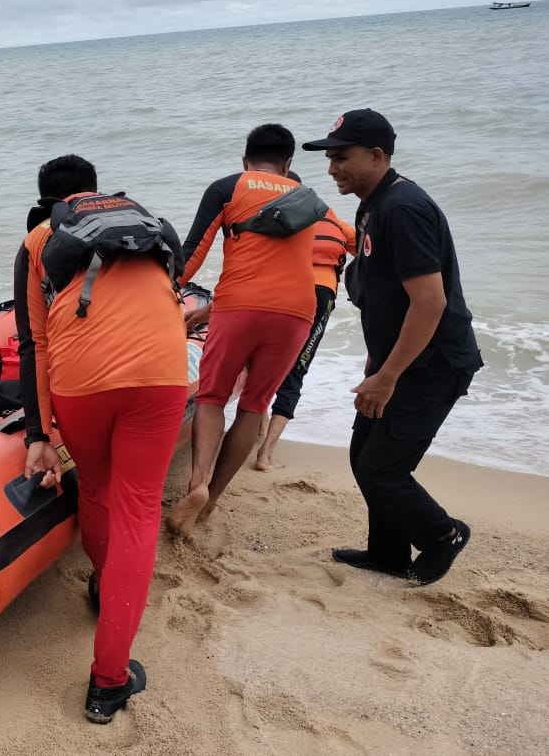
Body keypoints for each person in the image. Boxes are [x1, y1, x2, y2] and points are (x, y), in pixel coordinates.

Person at [14, 154, 189, 724]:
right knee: (139, 511)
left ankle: (100, 582)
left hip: (81, 383)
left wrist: (37, 434)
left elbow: (33, 342)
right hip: (162, 374)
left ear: (50, 204)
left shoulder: (39, 238)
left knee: (95, 486)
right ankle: (109, 683)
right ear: (96, 193)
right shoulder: (142, 223)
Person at [302, 109, 481, 585]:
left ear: (377, 155)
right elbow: (384, 292)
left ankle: (443, 535)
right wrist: (376, 360)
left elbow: (430, 302)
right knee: (363, 456)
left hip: (433, 363)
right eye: (329, 158)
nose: (332, 168)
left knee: (383, 470)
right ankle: (387, 553)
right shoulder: (372, 205)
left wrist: (388, 376)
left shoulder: (402, 209)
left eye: (342, 157)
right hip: (398, 359)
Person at [166, 124, 317, 538]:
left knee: (212, 397)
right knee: (254, 405)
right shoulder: (306, 196)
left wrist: (164, 292)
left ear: (245, 160)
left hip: (240, 305)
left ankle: (198, 484)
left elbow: (192, 253)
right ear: (288, 163)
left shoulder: (229, 187)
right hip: (298, 313)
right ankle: (211, 502)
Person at [254, 205, 357, 470]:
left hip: (284, 289)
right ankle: (265, 455)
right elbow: (366, 250)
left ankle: (260, 429)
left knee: (263, 359)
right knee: (297, 368)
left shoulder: (284, 218)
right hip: (322, 292)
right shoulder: (334, 220)